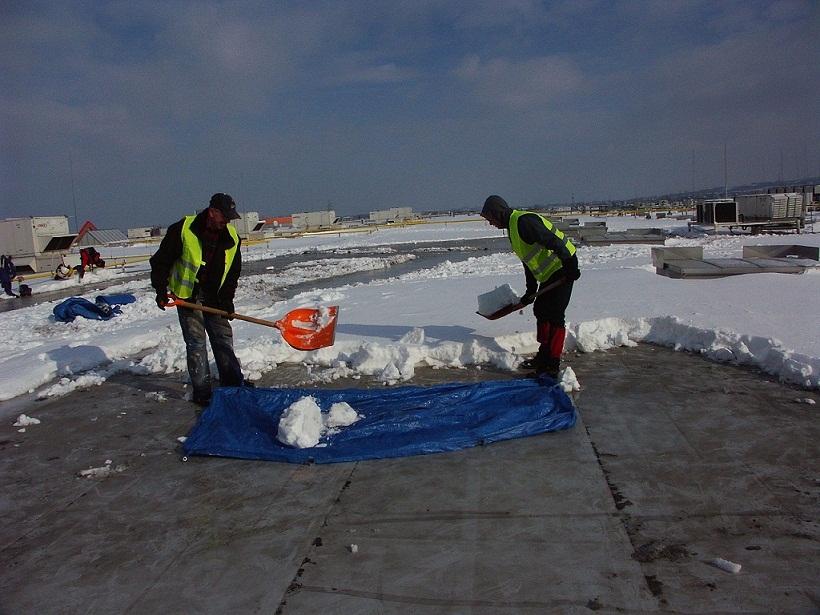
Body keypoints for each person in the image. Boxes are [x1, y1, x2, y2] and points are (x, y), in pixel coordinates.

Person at [150, 193, 246, 406]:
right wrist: (160, 290)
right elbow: (161, 261)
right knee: (196, 343)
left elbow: (233, 272)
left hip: (216, 297)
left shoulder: (231, 236)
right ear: (212, 212)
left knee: (223, 340)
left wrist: (228, 299)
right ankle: (202, 392)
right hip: (187, 297)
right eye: (224, 217)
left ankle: (232, 384)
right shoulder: (183, 229)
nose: (227, 222)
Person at [480, 195, 581, 378]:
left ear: (498, 213)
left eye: (491, 219)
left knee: (555, 316)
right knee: (541, 311)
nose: (491, 224)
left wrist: (571, 266)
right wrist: (530, 291)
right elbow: (528, 261)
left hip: (562, 268)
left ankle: (552, 364)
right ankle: (543, 356)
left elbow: (554, 242)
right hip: (550, 274)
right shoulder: (512, 228)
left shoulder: (524, 222)